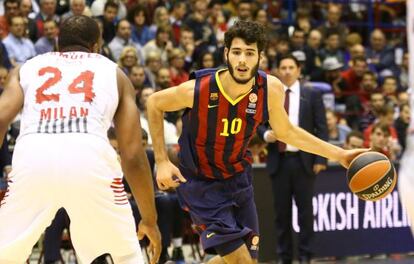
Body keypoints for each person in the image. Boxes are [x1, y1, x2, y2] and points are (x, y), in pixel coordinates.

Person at [147, 20, 366, 264]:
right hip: (202, 184)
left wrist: (341, 155)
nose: (242, 60)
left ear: (260, 57)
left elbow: (288, 132)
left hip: (238, 178)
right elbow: (154, 103)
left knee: (247, 262)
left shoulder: (270, 88)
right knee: (241, 262)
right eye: (237, 52)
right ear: (226, 54)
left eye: (250, 53)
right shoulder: (199, 89)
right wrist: (162, 160)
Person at [0, 15, 161, 264]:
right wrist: (150, 220)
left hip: (33, 156)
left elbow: (0, 118)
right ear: (97, 46)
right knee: (126, 254)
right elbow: (132, 154)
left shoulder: (25, 68)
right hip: (90, 156)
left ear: (57, 43)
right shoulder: (115, 74)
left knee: (4, 254)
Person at [258, 54, 328, 264]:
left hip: (304, 161)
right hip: (279, 160)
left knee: (306, 213)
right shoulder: (271, 94)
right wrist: (265, 135)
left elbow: (321, 127)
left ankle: (306, 256)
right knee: (281, 214)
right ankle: (284, 257)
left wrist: (321, 159)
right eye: (283, 67)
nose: (287, 71)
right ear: (278, 70)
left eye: (291, 67)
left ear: (298, 70)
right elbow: (258, 122)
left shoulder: (312, 94)